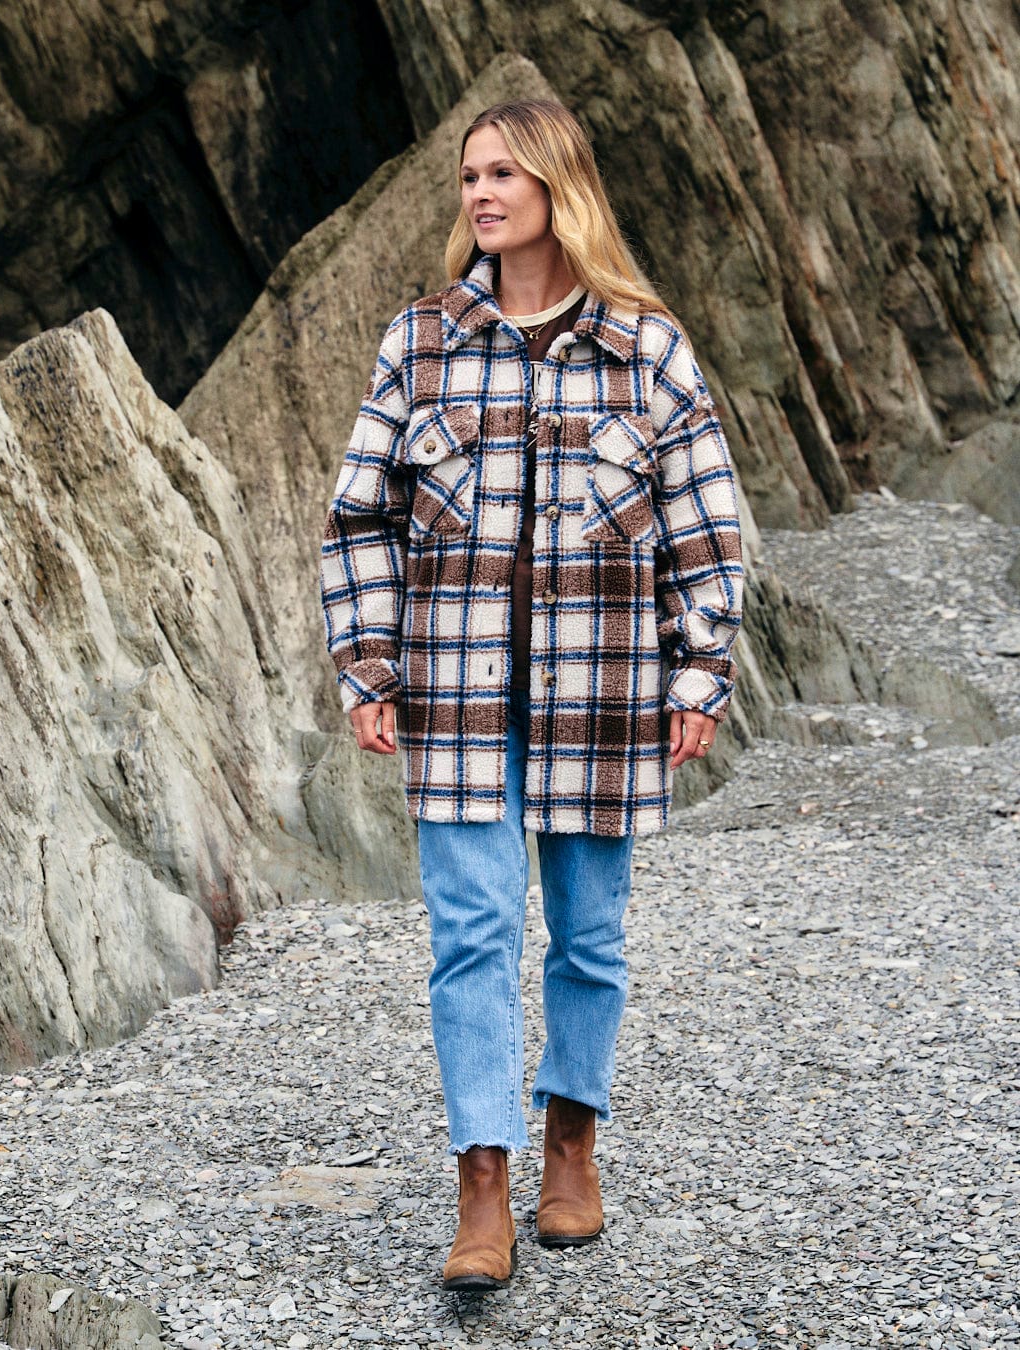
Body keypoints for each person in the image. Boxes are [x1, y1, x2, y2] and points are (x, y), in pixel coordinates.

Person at [319, 97, 742, 1291]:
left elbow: (706, 534)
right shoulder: (422, 343)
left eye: (505, 173)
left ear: (562, 185)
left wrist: (702, 666)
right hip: (455, 701)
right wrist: (370, 663)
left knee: (591, 940)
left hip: (601, 698)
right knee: (471, 936)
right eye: (470, 176)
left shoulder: (645, 348)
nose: (482, 194)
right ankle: (483, 1188)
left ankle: (572, 1147)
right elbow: (359, 520)